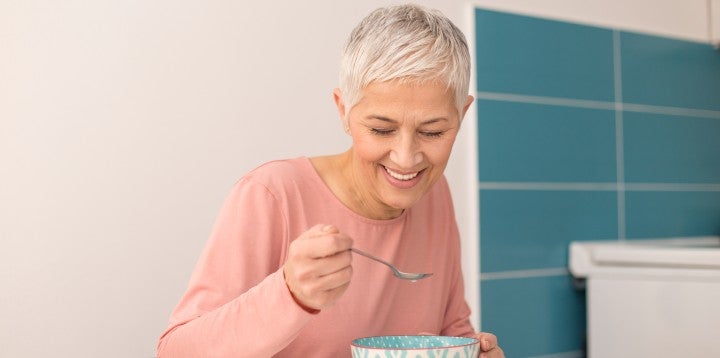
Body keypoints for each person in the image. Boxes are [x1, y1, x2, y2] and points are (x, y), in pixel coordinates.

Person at [157, 4, 504, 357]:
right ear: (343, 111)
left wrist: (472, 350)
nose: (406, 158)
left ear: (461, 117)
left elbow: (449, 330)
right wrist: (290, 294)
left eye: (432, 132)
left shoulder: (434, 194)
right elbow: (174, 351)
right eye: (381, 129)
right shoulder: (273, 195)